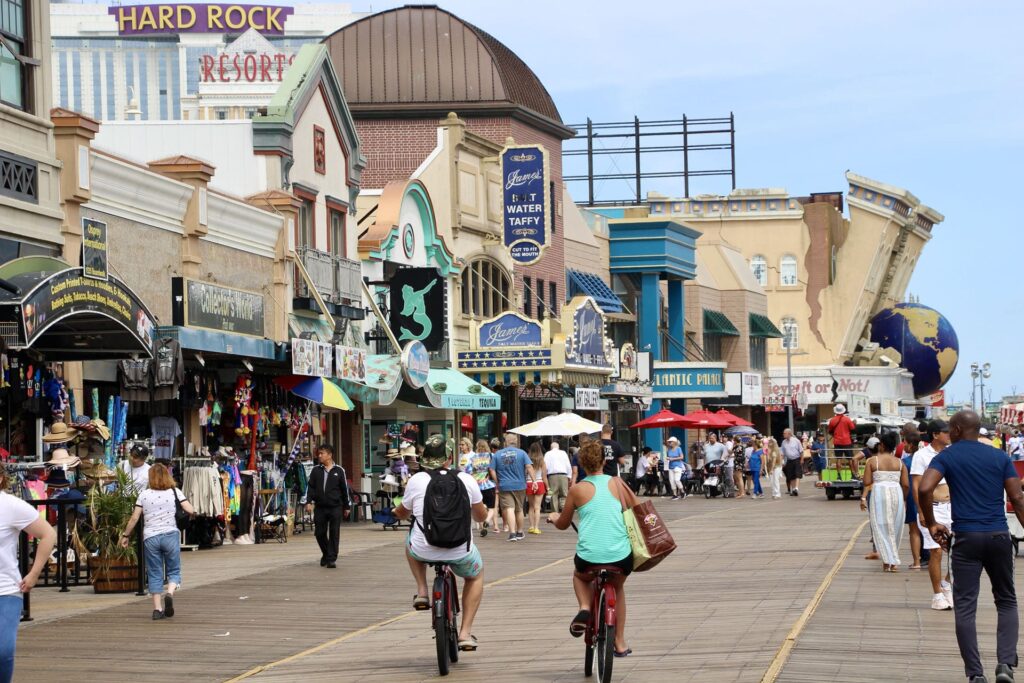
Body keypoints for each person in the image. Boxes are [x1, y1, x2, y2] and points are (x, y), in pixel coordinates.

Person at [921, 410, 1024, 683]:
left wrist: (931, 523)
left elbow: (924, 488)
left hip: (965, 537)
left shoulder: (947, 456)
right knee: (1006, 600)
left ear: (955, 429)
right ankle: (1005, 666)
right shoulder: (1000, 456)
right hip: (998, 535)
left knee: (965, 606)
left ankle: (976, 675)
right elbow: (1017, 497)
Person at [394, 435, 488, 652]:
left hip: (423, 549)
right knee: (476, 576)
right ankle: (465, 633)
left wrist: (395, 512)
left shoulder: (417, 480)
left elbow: (402, 513)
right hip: (460, 551)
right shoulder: (466, 480)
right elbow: (481, 516)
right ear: (450, 457)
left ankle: (422, 591)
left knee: (409, 543)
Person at [547, 441, 636, 658]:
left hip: (588, 558)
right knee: (618, 587)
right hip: (621, 556)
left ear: (582, 464)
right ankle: (621, 642)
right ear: (605, 461)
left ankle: (585, 607)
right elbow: (638, 509)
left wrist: (553, 517)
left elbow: (564, 523)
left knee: (580, 576)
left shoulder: (577, 490)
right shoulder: (618, 483)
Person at [0, 466, 56, 679]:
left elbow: (48, 534)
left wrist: (33, 574)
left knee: (3, 650)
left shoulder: (11, 505)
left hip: (5, 589)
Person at [120, 464, 194, 619]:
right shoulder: (175, 492)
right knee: (174, 570)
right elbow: (190, 509)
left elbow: (134, 518)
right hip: (170, 535)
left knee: (154, 572)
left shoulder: (144, 494)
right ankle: (170, 593)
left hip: (151, 537)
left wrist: (125, 535)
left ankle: (157, 609)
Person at [912, 420, 953, 611]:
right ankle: (937, 594)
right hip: (932, 507)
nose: (949, 435)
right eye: (946, 432)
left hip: (952, 507)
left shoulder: (952, 452)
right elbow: (917, 485)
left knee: (956, 551)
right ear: (936, 434)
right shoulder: (921, 455)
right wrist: (921, 510)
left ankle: (946, 584)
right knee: (935, 550)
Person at [860, 432, 908, 572]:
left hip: (879, 493)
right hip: (897, 493)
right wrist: (903, 498)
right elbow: (905, 484)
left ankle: (888, 560)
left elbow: (867, 482)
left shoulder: (872, 461)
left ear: (881, 445)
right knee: (896, 526)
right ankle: (892, 561)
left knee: (880, 526)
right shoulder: (900, 462)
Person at [304, 444, 350, 569]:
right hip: (320, 506)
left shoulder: (339, 471)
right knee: (319, 533)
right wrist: (308, 502)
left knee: (334, 532)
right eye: (318, 454)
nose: (319, 456)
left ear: (329, 455)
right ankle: (326, 553)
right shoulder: (316, 470)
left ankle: (331, 559)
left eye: (322, 453)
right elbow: (311, 487)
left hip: (335, 506)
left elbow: (344, 489)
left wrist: (347, 506)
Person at [489, 433, 534, 541]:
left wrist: (497, 481)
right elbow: (529, 466)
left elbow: (491, 469)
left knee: (509, 508)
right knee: (519, 510)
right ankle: (519, 532)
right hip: (520, 485)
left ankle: (512, 533)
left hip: (504, 485)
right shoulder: (522, 453)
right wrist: (534, 480)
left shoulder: (498, 454)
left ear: (505, 442)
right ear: (516, 442)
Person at [900, 427, 925, 570]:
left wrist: (903, 498)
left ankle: (916, 562)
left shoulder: (905, 462)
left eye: (904, 443)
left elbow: (905, 484)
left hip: (911, 497)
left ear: (910, 444)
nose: (903, 446)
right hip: (927, 496)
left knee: (914, 530)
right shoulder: (926, 457)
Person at [465, 439, 497, 537]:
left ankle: (483, 527)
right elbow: (494, 469)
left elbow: (468, 471)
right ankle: (487, 521)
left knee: (480, 506)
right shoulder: (491, 456)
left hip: (477, 486)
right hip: (489, 485)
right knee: (492, 508)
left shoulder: (473, 458)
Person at [525, 442, 548, 535]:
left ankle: (530, 527)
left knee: (531, 507)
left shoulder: (527, 459)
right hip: (539, 483)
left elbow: (526, 472)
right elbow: (544, 476)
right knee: (537, 507)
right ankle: (536, 528)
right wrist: (548, 486)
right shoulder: (542, 461)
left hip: (529, 483)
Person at [544, 441, 572, 512]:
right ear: (558, 447)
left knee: (553, 495)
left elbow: (545, 467)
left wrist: (545, 476)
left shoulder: (548, 454)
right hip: (563, 476)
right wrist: (569, 476)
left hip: (552, 476)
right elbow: (568, 465)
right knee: (564, 494)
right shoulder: (563, 453)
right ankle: (564, 512)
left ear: (551, 448)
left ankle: (555, 513)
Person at [780, 428, 803, 496]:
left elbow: (801, 451)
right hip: (789, 460)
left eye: (784, 433)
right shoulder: (783, 442)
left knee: (797, 474)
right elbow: (782, 453)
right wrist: (782, 462)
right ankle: (793, 490)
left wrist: (802, 460)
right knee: (791, 476)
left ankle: (796, 488)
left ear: (789, 434)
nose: (783, 434)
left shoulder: (796, 441)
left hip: (796, 459)